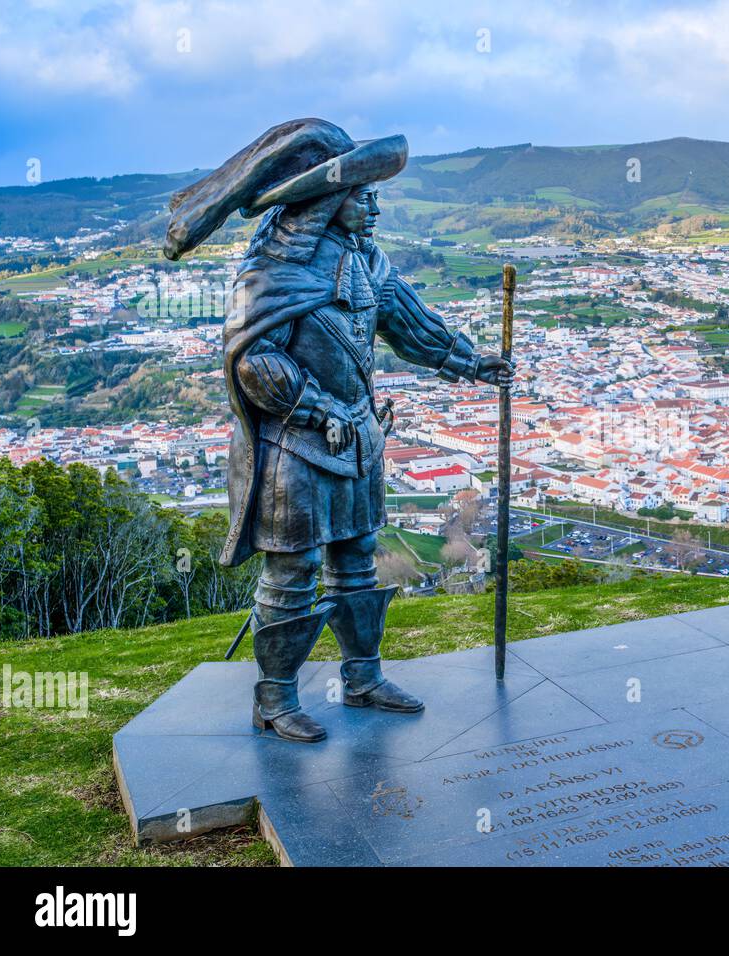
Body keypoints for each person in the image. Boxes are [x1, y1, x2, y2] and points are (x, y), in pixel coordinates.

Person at [164, 119, 513, 742]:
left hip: (357, 443)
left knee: (357, 563)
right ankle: (274, 698)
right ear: (327, 200)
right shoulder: (271, 272)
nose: (374, 204)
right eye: (363, 194)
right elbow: (254, 362)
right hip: (291, 449)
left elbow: (412, 326)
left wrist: (471, 361)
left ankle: (363, 675)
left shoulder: (368, 264)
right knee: (290, 575)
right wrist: (318, 407)